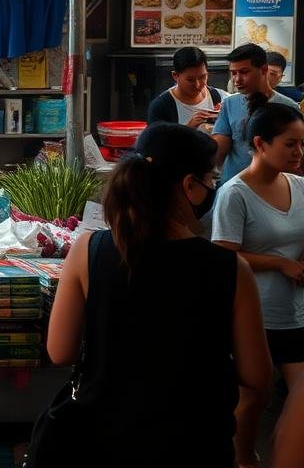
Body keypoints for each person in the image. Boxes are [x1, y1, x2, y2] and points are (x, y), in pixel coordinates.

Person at [45, 123, 270, 467]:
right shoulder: (231, 268)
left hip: (103, 440)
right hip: (197, 444)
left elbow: (60, 351)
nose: (213, 188)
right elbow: (257, 375)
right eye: (210, 179)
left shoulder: (89, 250)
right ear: (189, 186)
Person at [212, 100, 304, 467]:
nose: (299, 152)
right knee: (254, 398)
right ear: (260, 144)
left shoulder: (300, 186)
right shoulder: (234, 194)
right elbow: (223, 255)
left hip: (297, 313)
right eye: (290, 143)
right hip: (255, 315)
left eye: (302, 143)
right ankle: (243, 458)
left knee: (298, 398)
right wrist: (279, 264)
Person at [213, 44, 298, 184]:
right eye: (233, 73)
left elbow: (293, 154)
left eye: (244, 72)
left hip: (273, 188)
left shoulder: (288, 107)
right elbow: (219, 150)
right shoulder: (229, 104)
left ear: (263, 70)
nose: (237, 80)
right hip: (234, 185)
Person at [145, 47, 225, 132]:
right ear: (175, 76)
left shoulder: (219, 97)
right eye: (190, 80)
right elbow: (155, 142)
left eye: (202, 77)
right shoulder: (161, 107)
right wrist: (188, 129)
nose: (197, 84)